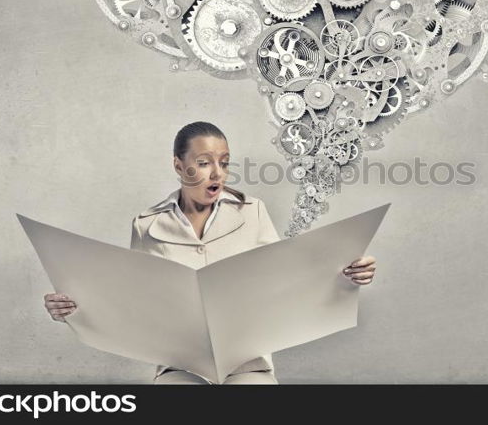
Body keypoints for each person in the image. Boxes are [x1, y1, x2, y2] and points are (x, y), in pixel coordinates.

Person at [43, 121, 377, 384]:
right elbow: (129, 302)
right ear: (178, 165)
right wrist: (72, 306)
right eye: (203, 163)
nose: (217, 172)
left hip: (249, 368)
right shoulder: (146, 225)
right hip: (179, 370)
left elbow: (291, 280)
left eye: (224, 162)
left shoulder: (253, 212)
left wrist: (347, 273)